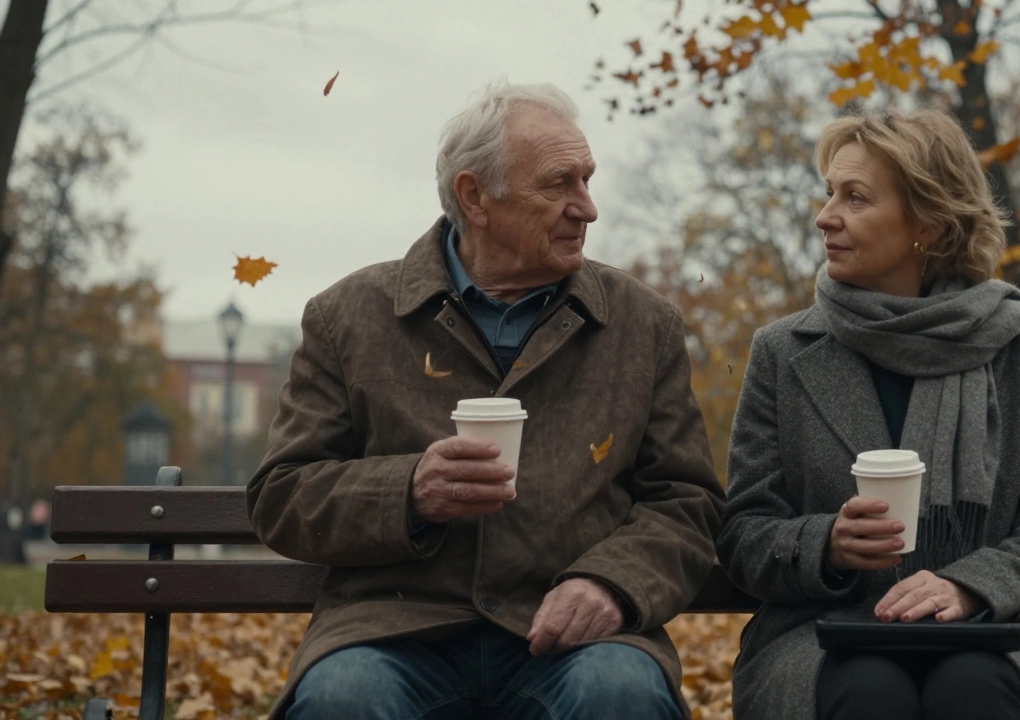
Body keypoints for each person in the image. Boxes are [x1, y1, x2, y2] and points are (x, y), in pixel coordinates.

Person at [247, 81, 725, 720]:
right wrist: (408, 491)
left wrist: (612, 582)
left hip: (572, 640)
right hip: (393, 632)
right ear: (475, 197)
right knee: (344, 699)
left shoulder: (643, 325)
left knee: (621, 694)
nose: (588, 208)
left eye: (587, 180)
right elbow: (283, 493)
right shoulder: (349, 316)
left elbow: (686, 503)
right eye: (559, 185)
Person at [716, 108, 1020, 720]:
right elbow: (745, 532)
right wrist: (827, 545)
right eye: (829, 193)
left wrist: (971, 587)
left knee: (971, 687)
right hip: (819, 635)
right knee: (870, 690)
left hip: (997, 635)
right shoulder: (785, 352)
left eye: (855, 198)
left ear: (932, 228)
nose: (824, 217)